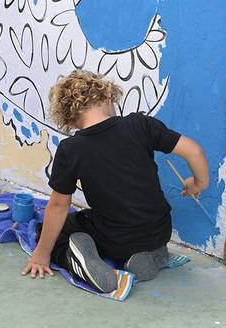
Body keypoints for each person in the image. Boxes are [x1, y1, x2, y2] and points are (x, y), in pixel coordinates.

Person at [21, 70, 209, 293]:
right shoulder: (140, 124)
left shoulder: (71, 149)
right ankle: (154, 255)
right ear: (108, 96)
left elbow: (59, 205)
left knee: (58, 228)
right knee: (126, 228)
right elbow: (194, 151)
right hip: (160, 231)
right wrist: (198, 184)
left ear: (70, 120)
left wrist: (42, 253)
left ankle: (78, 260)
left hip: (116, 241)